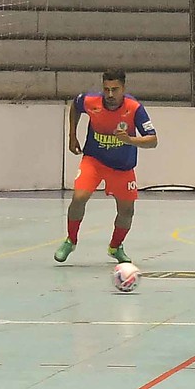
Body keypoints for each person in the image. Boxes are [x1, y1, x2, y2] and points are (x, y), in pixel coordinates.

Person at [57, 69, 157, 264]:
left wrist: (130, 140)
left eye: (115, 89)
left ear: (123, 89)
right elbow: (75, 107)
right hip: (94, 160)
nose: (110, 95)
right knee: (79, 197)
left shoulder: (134, 108)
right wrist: (72, 136)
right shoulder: (90, 101)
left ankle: (115, 247)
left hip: (122, 167)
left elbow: (153, 140)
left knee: (126, 211)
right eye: (106, 89)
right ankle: (71, 240)